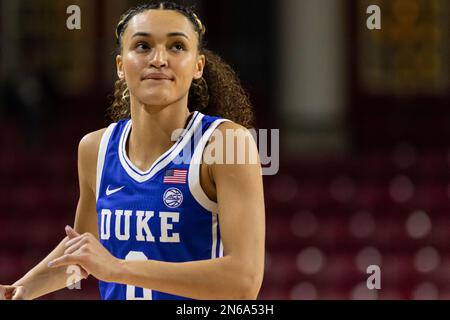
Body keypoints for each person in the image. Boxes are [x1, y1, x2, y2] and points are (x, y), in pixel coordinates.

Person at [0, 1, 265, 300]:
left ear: (198, 67)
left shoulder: (226, 143)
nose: (159, 59)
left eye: (177, 46)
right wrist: (19, 290)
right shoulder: (95, 148)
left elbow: (244, 281)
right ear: (120, 66)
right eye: (142, 46)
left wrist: (117, 268)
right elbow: (83, 251)